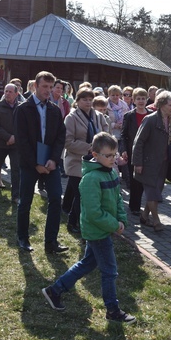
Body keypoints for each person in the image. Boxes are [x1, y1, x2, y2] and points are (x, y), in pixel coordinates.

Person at [41, 132, 135, 323]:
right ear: (94, 154)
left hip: (104, 229)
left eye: (114, 155)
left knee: (87, 264)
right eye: (107, 155)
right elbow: (94, 212)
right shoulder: (91, 179)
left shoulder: (110, 172)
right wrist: (113, 224)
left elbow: (117, 199)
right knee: (110, 271)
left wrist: (122, 219)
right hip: (96, 232)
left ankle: (55, 290)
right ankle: (112, 310)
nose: (112, 159)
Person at [14, 71, 68, 254]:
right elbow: (22, 140)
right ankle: (23, 237)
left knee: (55, 198)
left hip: (50, 163)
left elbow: (60, 137)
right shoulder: (23, 109)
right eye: (45, 86)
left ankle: (51, 241)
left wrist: (53, 159)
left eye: (51, 87)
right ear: (36, 86)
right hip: (30, 164)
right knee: (25, 201)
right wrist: (34, 164)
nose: (48, 90)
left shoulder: (54, 109)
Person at [62, 87, 109, 235]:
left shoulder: (98, 116)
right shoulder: (71, 117)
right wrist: (89, 147)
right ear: (77, 101)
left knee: (86, 195)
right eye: (84, 100)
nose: (88, 102)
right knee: (80, 194)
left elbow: (105, 134)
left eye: (90, 100)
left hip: (95, 162)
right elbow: (68, 141)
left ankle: (72, 221)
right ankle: (82, 225)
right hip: (76, 161)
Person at [132, 91, 171, 231]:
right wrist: (138, 163)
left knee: (157, 190)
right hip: (148, 163)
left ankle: (144, 216)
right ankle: (156, 221)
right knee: (152, 192)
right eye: (170, 105)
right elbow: (138, 142)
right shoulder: (150, 120)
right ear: (161, 104)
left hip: (163, 163)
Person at [121, 88, 152, 216]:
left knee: (147, 180)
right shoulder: (129, 116)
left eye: (143, 98)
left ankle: (148, 207)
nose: (141, 101)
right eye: (138, 98)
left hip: (149, 152)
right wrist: (123, 149)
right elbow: (123, 134)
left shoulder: (151, 115)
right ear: (133, 100)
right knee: (135, 181)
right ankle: (134, 206)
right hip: (133, 151)